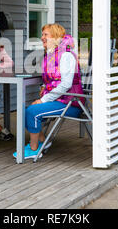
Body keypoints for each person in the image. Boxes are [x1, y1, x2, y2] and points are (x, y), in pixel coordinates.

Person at [13, 23, 84, 159]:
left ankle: (34, 149)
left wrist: (43, 99)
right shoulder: (51, 54)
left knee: (32, 112)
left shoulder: (66, 55)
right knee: (24, 111)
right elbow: (52, 80)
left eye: (46, 35)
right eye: (42, 35)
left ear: (56, 37)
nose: (42, 37)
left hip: (71, 102)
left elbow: (66, 84)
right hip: (59, 100)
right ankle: (42, 141)